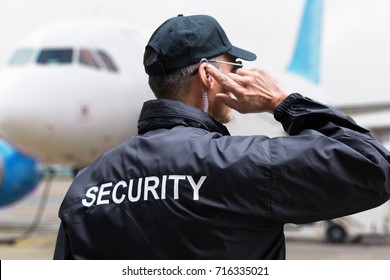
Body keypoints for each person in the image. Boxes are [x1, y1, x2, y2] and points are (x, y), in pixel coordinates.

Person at [53, 14, 390, 260]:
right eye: (234, 67)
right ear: (208, 75)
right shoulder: (244, 162)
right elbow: (373, 167)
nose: (239, 76)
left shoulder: (86, 185)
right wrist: (283, 103)